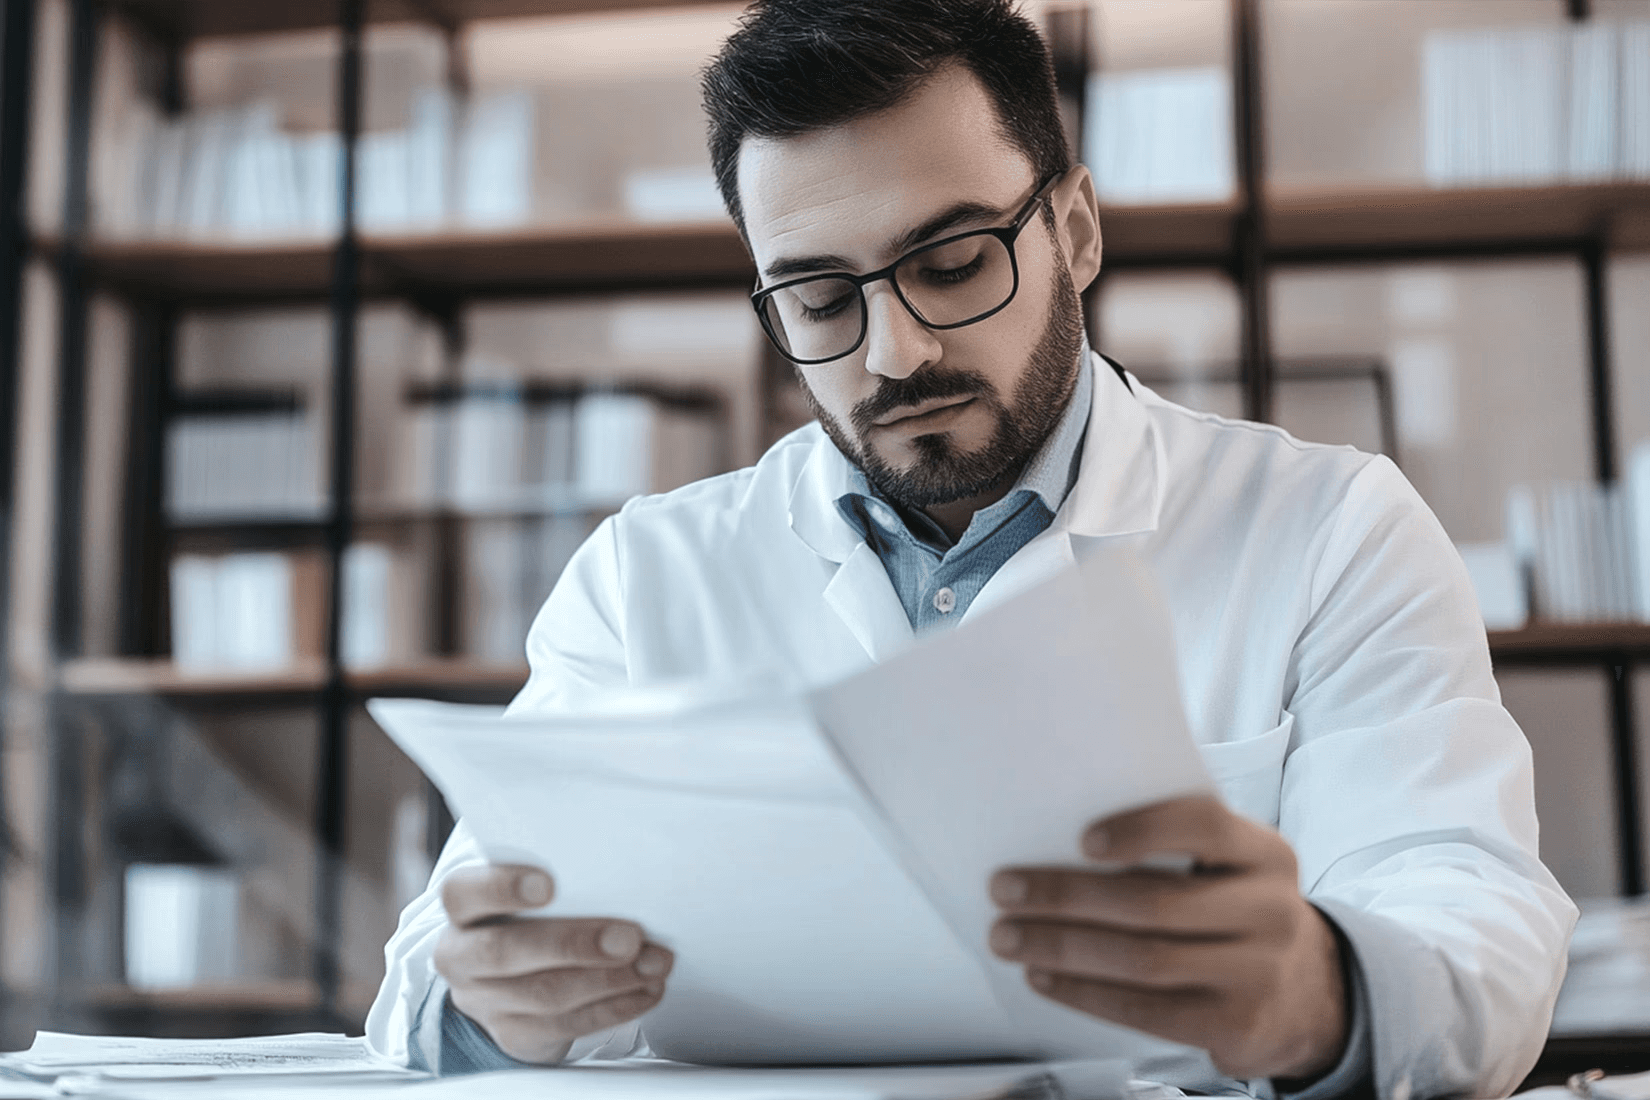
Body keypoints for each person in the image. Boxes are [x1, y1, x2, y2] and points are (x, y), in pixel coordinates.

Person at [367, 1, 1577, 1095]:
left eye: (952, 265)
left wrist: (1324, 991)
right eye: (821, 301)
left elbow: (1474, 918)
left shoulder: (1332, 529)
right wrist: (492, 1001)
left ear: (1078, 230)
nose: (893, 351)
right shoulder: (646, 576)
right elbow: (426, 977)